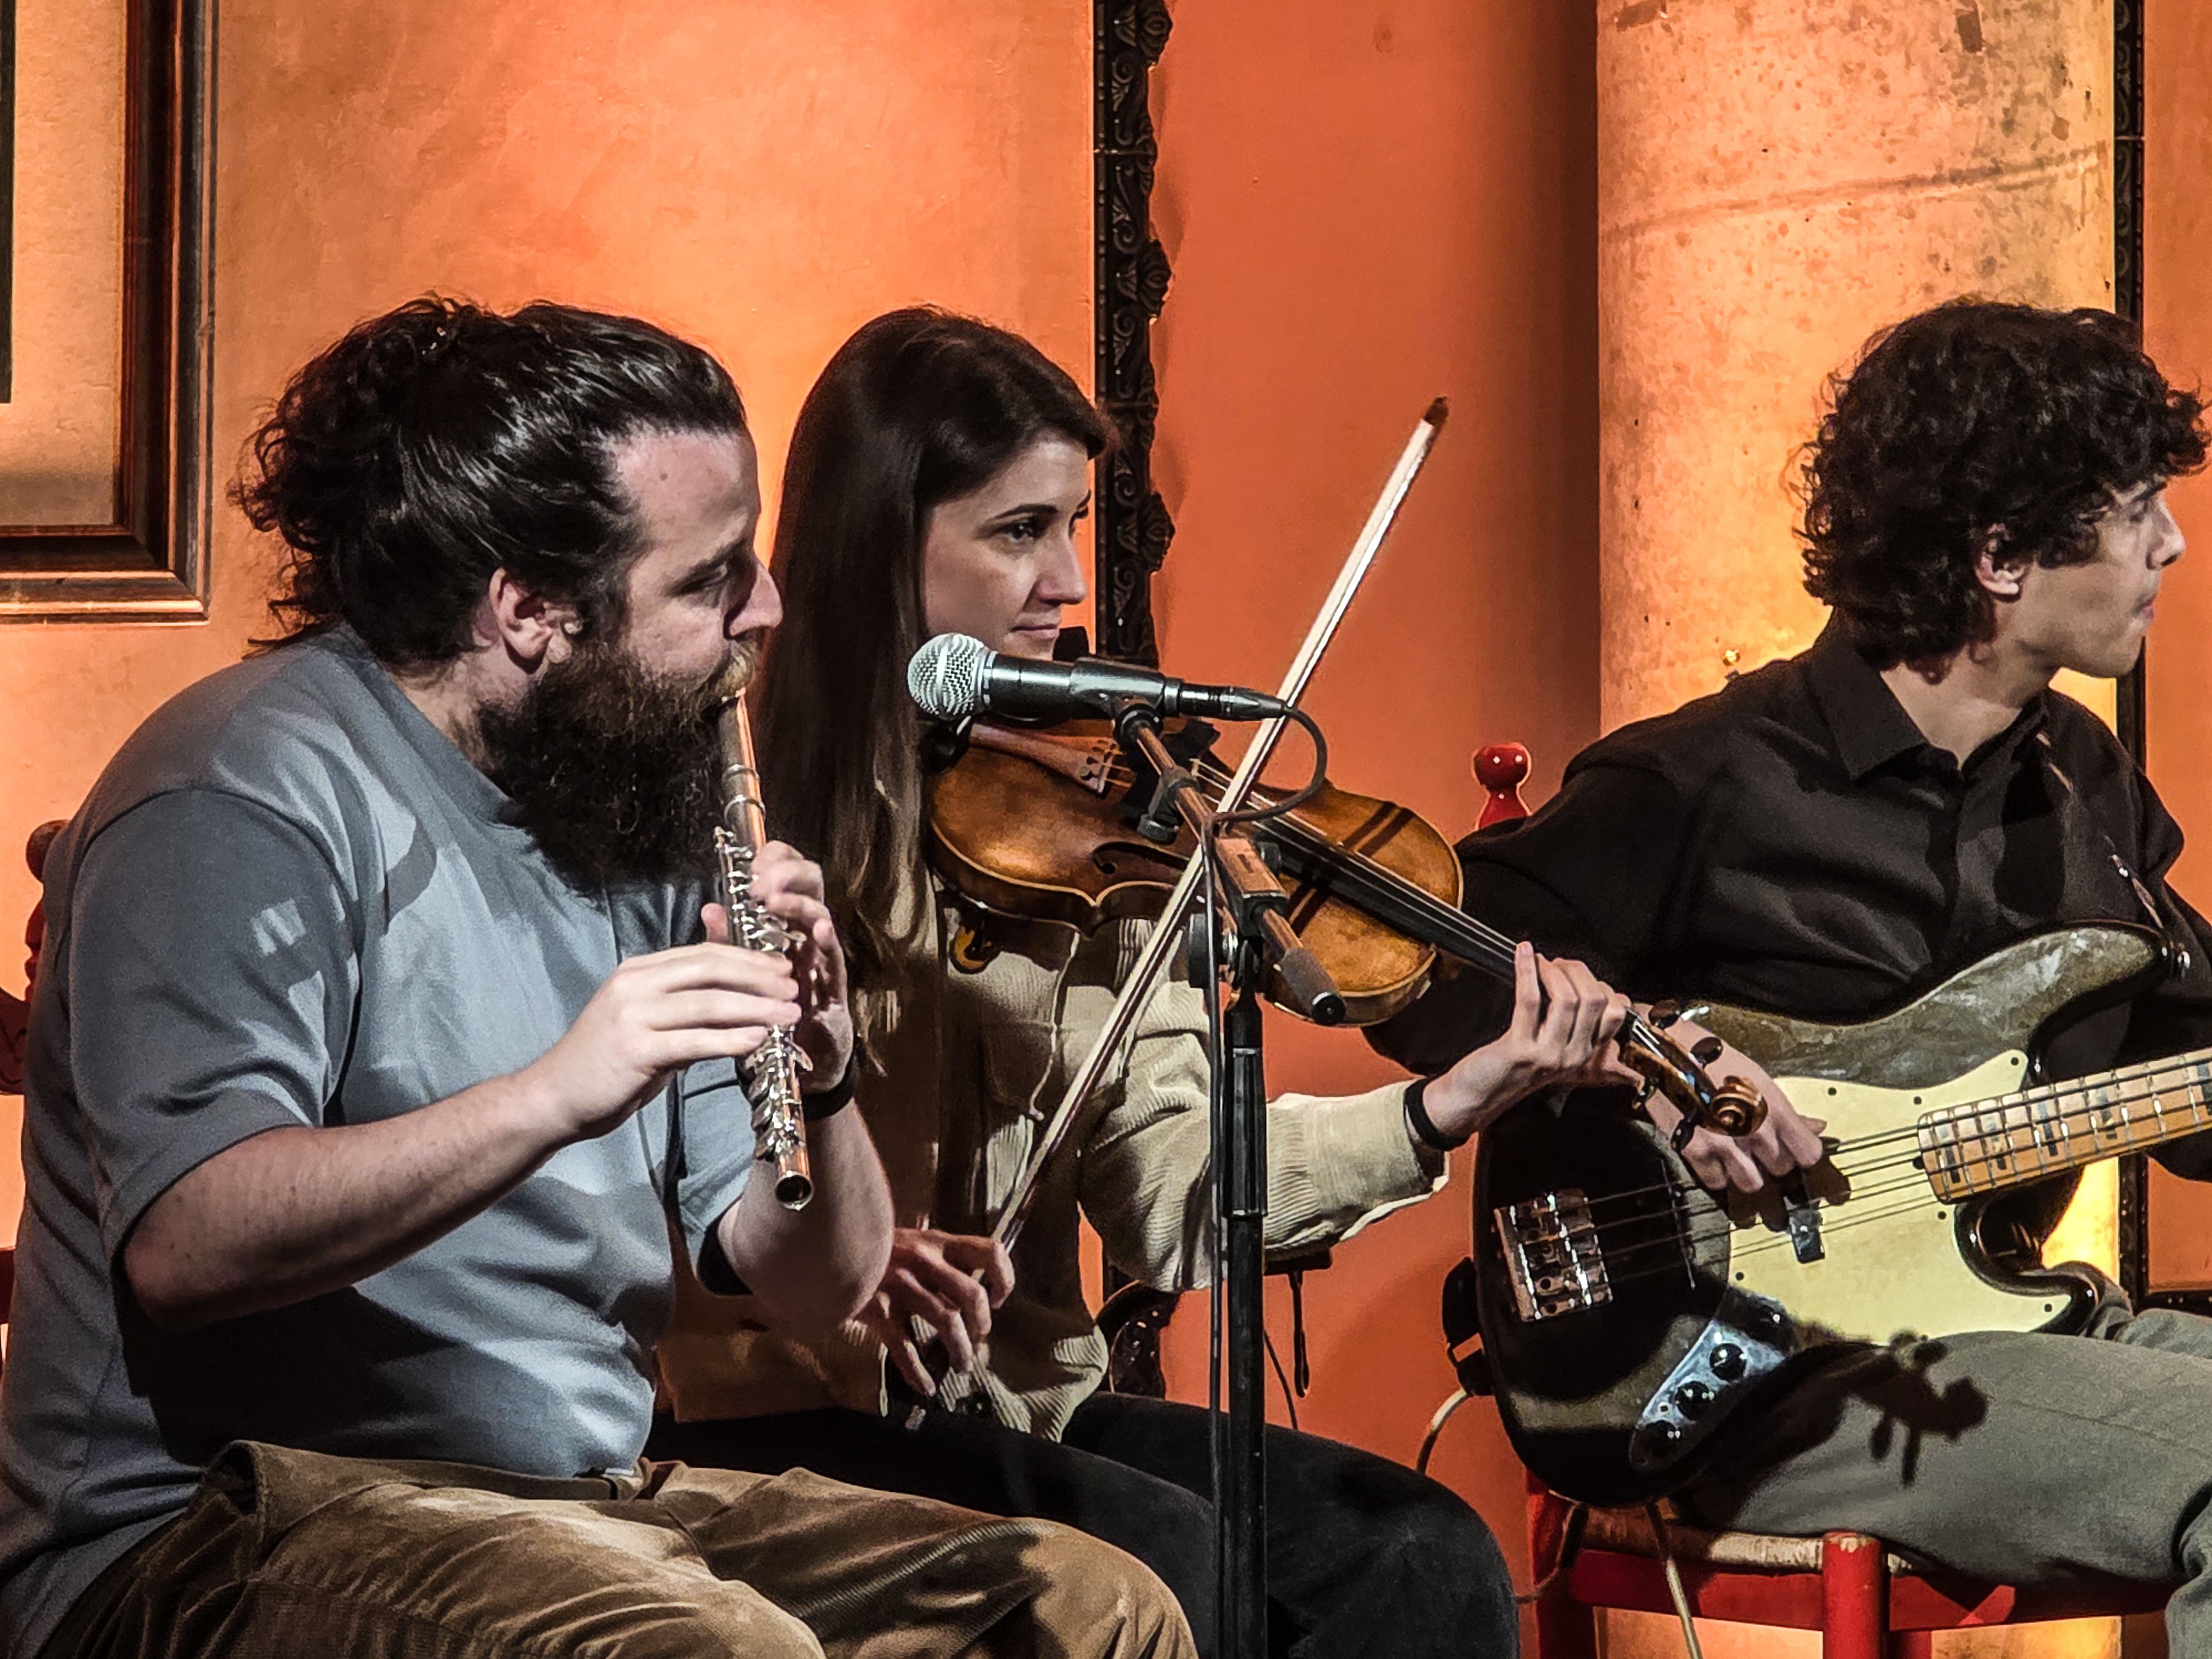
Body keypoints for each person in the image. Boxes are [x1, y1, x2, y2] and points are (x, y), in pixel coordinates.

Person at [0, 298, 1196, 1659]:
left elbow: (814, 1285)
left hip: (573, 1503)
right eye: (709, 580)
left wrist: (825, 1065)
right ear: (527, 610)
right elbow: (186, 1244)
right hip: (213, 1529)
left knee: (1093, 1612)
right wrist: (562, 1089)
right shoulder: (243, 791)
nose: (769, 609)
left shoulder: (635, 786)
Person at [647, 305, 1643, 1658]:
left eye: (1075, 529)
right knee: (1167, 1559)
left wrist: (1438, 1113)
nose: (1068, 584)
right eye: (1017, 533)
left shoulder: (1098, 818)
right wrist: (846, 1261)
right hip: (765, 1410)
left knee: (1416, 1556)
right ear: (880, 547)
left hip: (1009, 1403)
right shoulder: (719, 804)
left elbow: (1172, 1205)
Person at [1371, 298, 2212, 1647]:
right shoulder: (1703, 777)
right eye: (2130, 511)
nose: (2169, 543)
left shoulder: (2082, 782)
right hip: (1752, 1374)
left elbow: (2192, 1079)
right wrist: (1643, 1067)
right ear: (1998, 557)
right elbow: (1424, 975)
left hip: (2004, 1328)